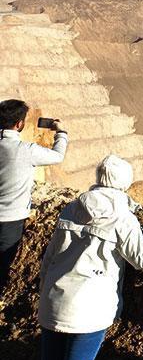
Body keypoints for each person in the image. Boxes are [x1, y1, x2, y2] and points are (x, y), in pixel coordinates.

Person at [35, 155, 143, 360]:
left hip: (53, 300)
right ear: (125, 183)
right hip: (89, 311)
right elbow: (142, 259)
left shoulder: (71, 208)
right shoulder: (124, 218)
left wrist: (45, 291)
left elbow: (49, 258)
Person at [0, 99, 68, 293]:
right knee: (3, 263)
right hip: (11, 219)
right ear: (19, 124)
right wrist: (61, 132)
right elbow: (57, 156)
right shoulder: (26, 151)